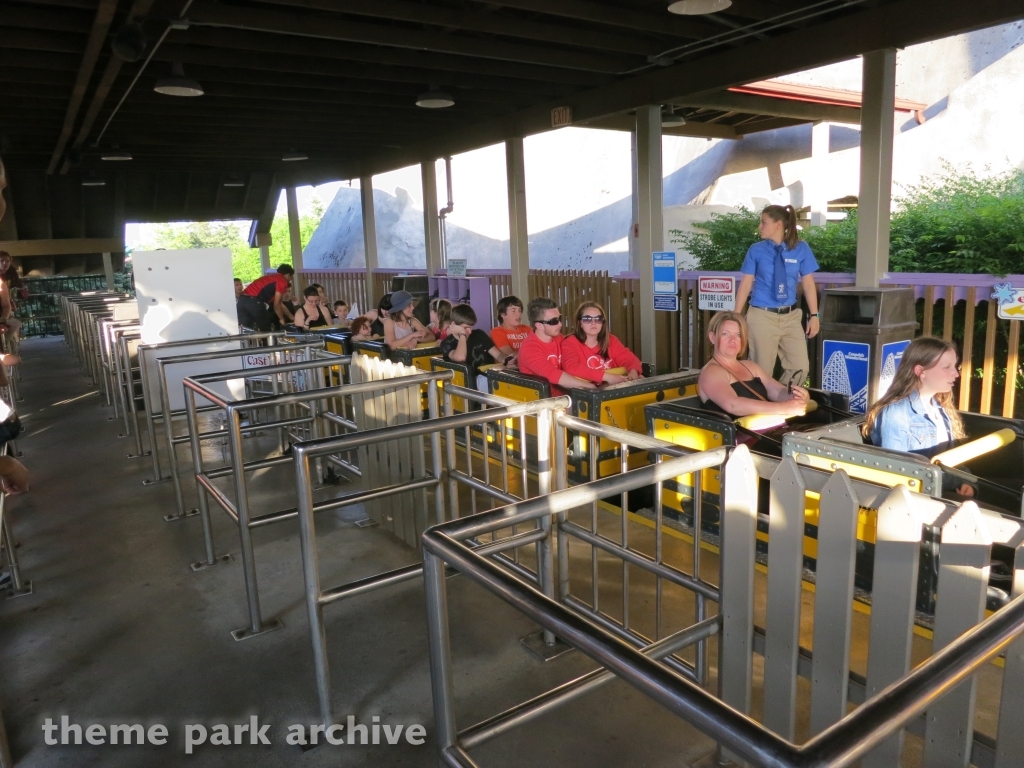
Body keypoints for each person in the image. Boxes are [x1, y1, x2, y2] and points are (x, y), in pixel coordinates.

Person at [862, 336, 974, 496]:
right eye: (947, 367)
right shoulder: (896, 413)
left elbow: (949, 461)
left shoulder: (940, 407)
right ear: (920, 371)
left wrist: (967, 481)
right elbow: (898, 471)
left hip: (940, 491)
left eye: (955, 366)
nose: (955, 373)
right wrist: (959, 479)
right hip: (916, 499)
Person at [734, 204, 820, 388]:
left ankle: (780, 400)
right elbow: (746, 284)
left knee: (800, 368)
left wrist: (814, 315)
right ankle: (762, 408)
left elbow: (808, 284)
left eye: (763, 222)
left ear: (778, 224)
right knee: (761, 371)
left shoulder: (801, 248)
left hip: (791, 317)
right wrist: (735, 315)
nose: (760, 226)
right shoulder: (756, 250)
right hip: (762, 316)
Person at [697, 311, 809, 418]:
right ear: (713, 337)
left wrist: (798, 399)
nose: (732, 340)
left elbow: (778, 392)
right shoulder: (711, 372)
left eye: (738, 335)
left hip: (766, 429)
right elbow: (732, 405)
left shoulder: (750, 367)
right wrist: (782, 408)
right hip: (738, 435)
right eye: (725, 334)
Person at [518, 297, 597, 395]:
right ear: (539, 325)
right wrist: (590, 387)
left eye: (560, 318)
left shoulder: (559, 338)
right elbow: (552, 374)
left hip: (564, 396)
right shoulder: (529, 348)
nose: (560, 324)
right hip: (543, 402)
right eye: (554, 321)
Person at [562, 301, 642, 385]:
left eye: (598, 319)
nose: (593, 323)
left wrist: (634, 372)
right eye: (587, 319)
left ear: (602, 323)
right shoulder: (570, 342)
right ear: (580, 323)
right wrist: (608, 377)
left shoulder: (610, 339)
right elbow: (571, 367)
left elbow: (629, 358)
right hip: (587, 392)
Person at [440, 304, 506, 390]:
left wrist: (506, 359)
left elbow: (498, 355)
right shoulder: (447, 343)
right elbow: (460, 357)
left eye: (471, 327)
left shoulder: (479, 334)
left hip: (487, 379)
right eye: (465, 328)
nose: (470, 331)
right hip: (466, 385)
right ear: (453, 325)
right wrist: (462, 334)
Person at [236, 264, 294, 332]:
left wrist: (292, 318)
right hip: (254, 302)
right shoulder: (282, 281)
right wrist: (281, 319)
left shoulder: (269, 278)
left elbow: (280, 303)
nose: (290, 279)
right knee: (266, 329)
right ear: (288, 275)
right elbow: (277, 304)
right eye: (291, 277)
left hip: (241, 301)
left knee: (245, 329)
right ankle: (267, 342)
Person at [490, 295, 532, 365]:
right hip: (510, 370)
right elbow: (511, 354)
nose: (518, 314)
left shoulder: (527, 329)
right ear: (503, 314)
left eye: (520, 310)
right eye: (513, 311)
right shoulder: (497, 332)